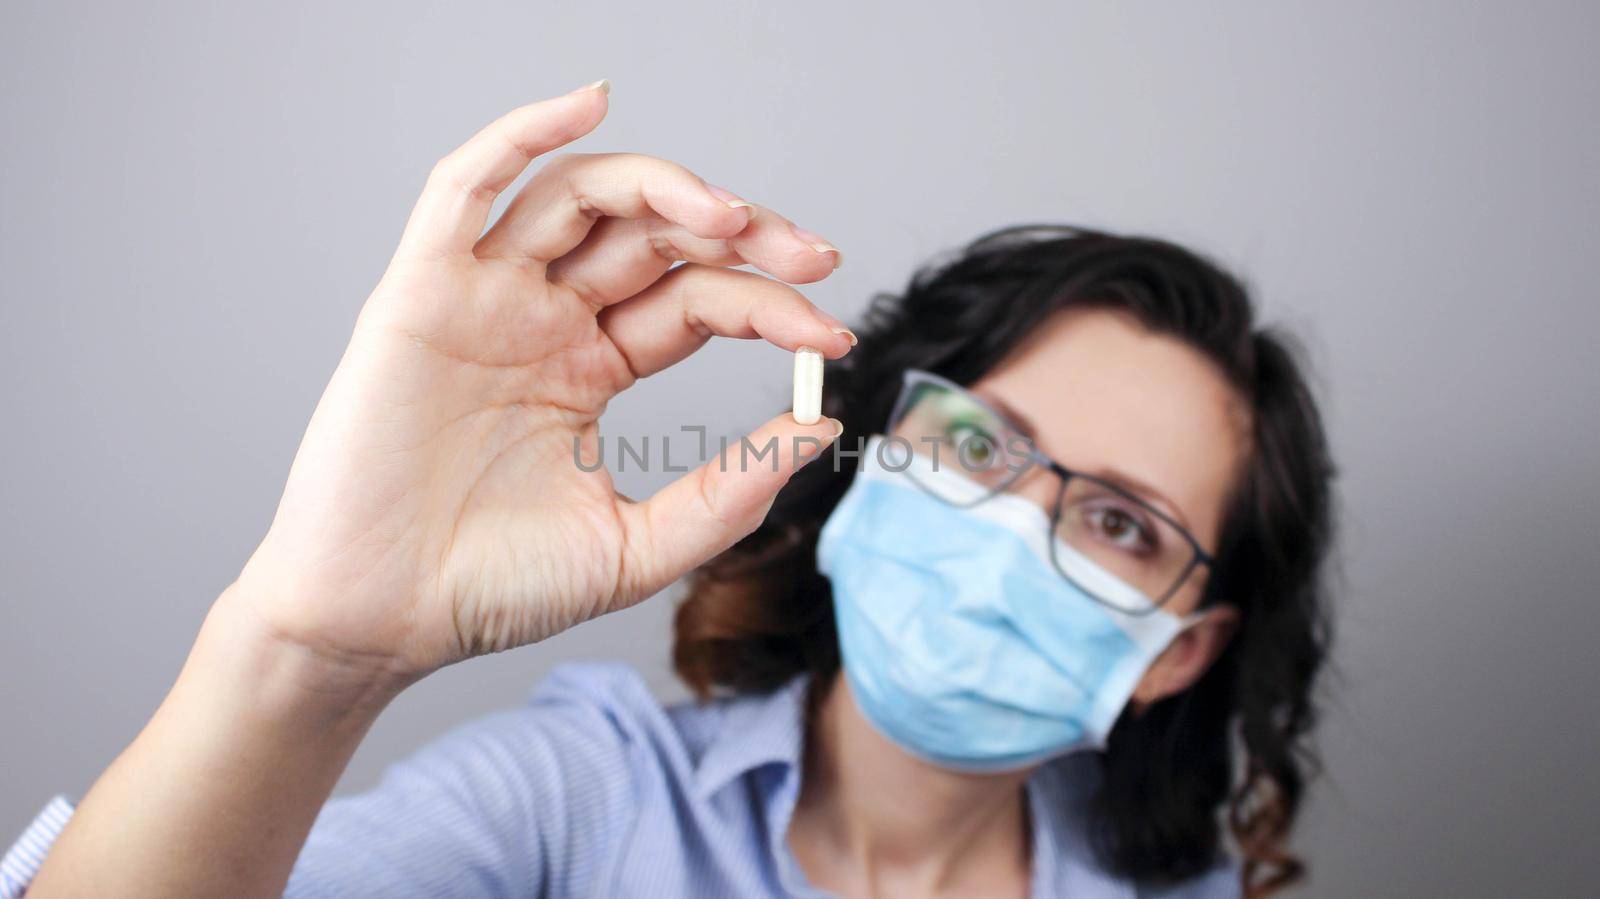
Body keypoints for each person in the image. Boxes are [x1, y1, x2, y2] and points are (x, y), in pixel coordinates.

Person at [1, 79, 1336, 899]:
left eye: (1118, 522)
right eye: (979, 443)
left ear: (1185, 649)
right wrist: (312, 649)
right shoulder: (577, 801)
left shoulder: (1183, 890)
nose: (1012, 529)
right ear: (864, 453)